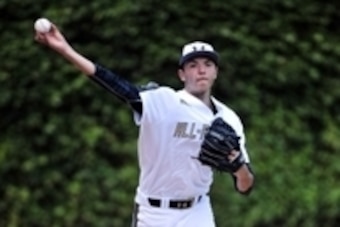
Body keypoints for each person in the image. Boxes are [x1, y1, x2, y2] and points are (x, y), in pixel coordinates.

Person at [35, 21, 254, 227]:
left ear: (216, 72)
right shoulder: (165, 101)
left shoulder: (229, 119)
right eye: (193, 64)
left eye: (208, 64)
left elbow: (245, 186)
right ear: (181, 73)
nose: (201, 70)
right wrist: (66, 50)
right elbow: (117, 86)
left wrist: (239, 168)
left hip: (197, 211)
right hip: (153, 212)